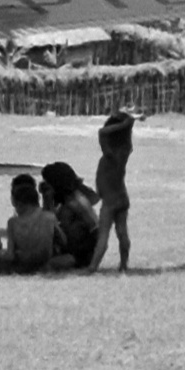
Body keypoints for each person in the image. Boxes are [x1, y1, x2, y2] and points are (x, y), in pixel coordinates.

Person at [0, 174, 76, 274]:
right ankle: (45, 267)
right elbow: (63, 241)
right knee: (70, 259)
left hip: (23, 263)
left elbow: (10, 255)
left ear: (18, 204)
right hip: (46, 261)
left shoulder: (12, 222)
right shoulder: (50, 217)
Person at [89, 107, 141, 273]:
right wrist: (128, 125)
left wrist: (124, 123)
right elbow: (117, 135)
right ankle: (124, 265)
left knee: (103, 235)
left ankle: (92, 267)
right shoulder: (124, 150)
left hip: (110, 201)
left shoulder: (110, 154)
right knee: (122, 232)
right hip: (121, 196)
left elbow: (102, 132)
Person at [40, 162, 99, 269]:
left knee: (44, 265)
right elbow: (47, 223)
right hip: (68, 248)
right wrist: (47, 201)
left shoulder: (76, 203)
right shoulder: (65, 202)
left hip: (78, 255)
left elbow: (96, 231)